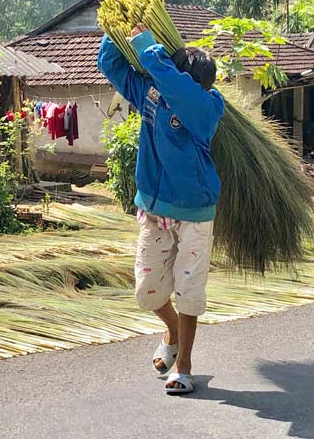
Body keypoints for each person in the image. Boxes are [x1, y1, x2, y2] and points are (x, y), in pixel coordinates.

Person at [97, 23, 225, 394]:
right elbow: (110, 65)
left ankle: (183, 365)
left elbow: (182, 94)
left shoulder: (208, 106)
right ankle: (170, 331)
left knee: (189, 290)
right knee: (147, 291)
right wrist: (117, 30)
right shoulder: (151, 94)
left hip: (194, 213)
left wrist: (148, 50)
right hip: (155, 208)